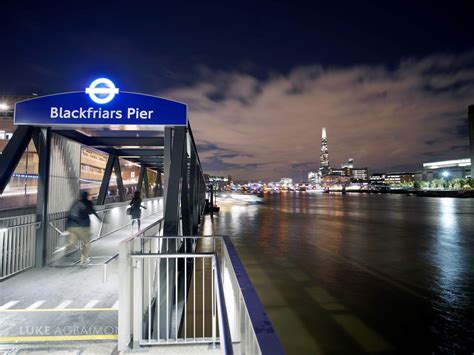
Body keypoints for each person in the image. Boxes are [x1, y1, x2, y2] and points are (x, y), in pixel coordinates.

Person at [65, 191, 101, 265]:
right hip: (83, 227)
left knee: (73, 242)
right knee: (86, 243)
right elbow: (93, 211)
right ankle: (84, 260)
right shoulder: (88, 203)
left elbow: (71, 214)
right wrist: (100, 219)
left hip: (72, 227)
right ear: (86, 196)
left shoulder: (76, 203)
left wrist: (67, 227)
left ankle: (63, 249)